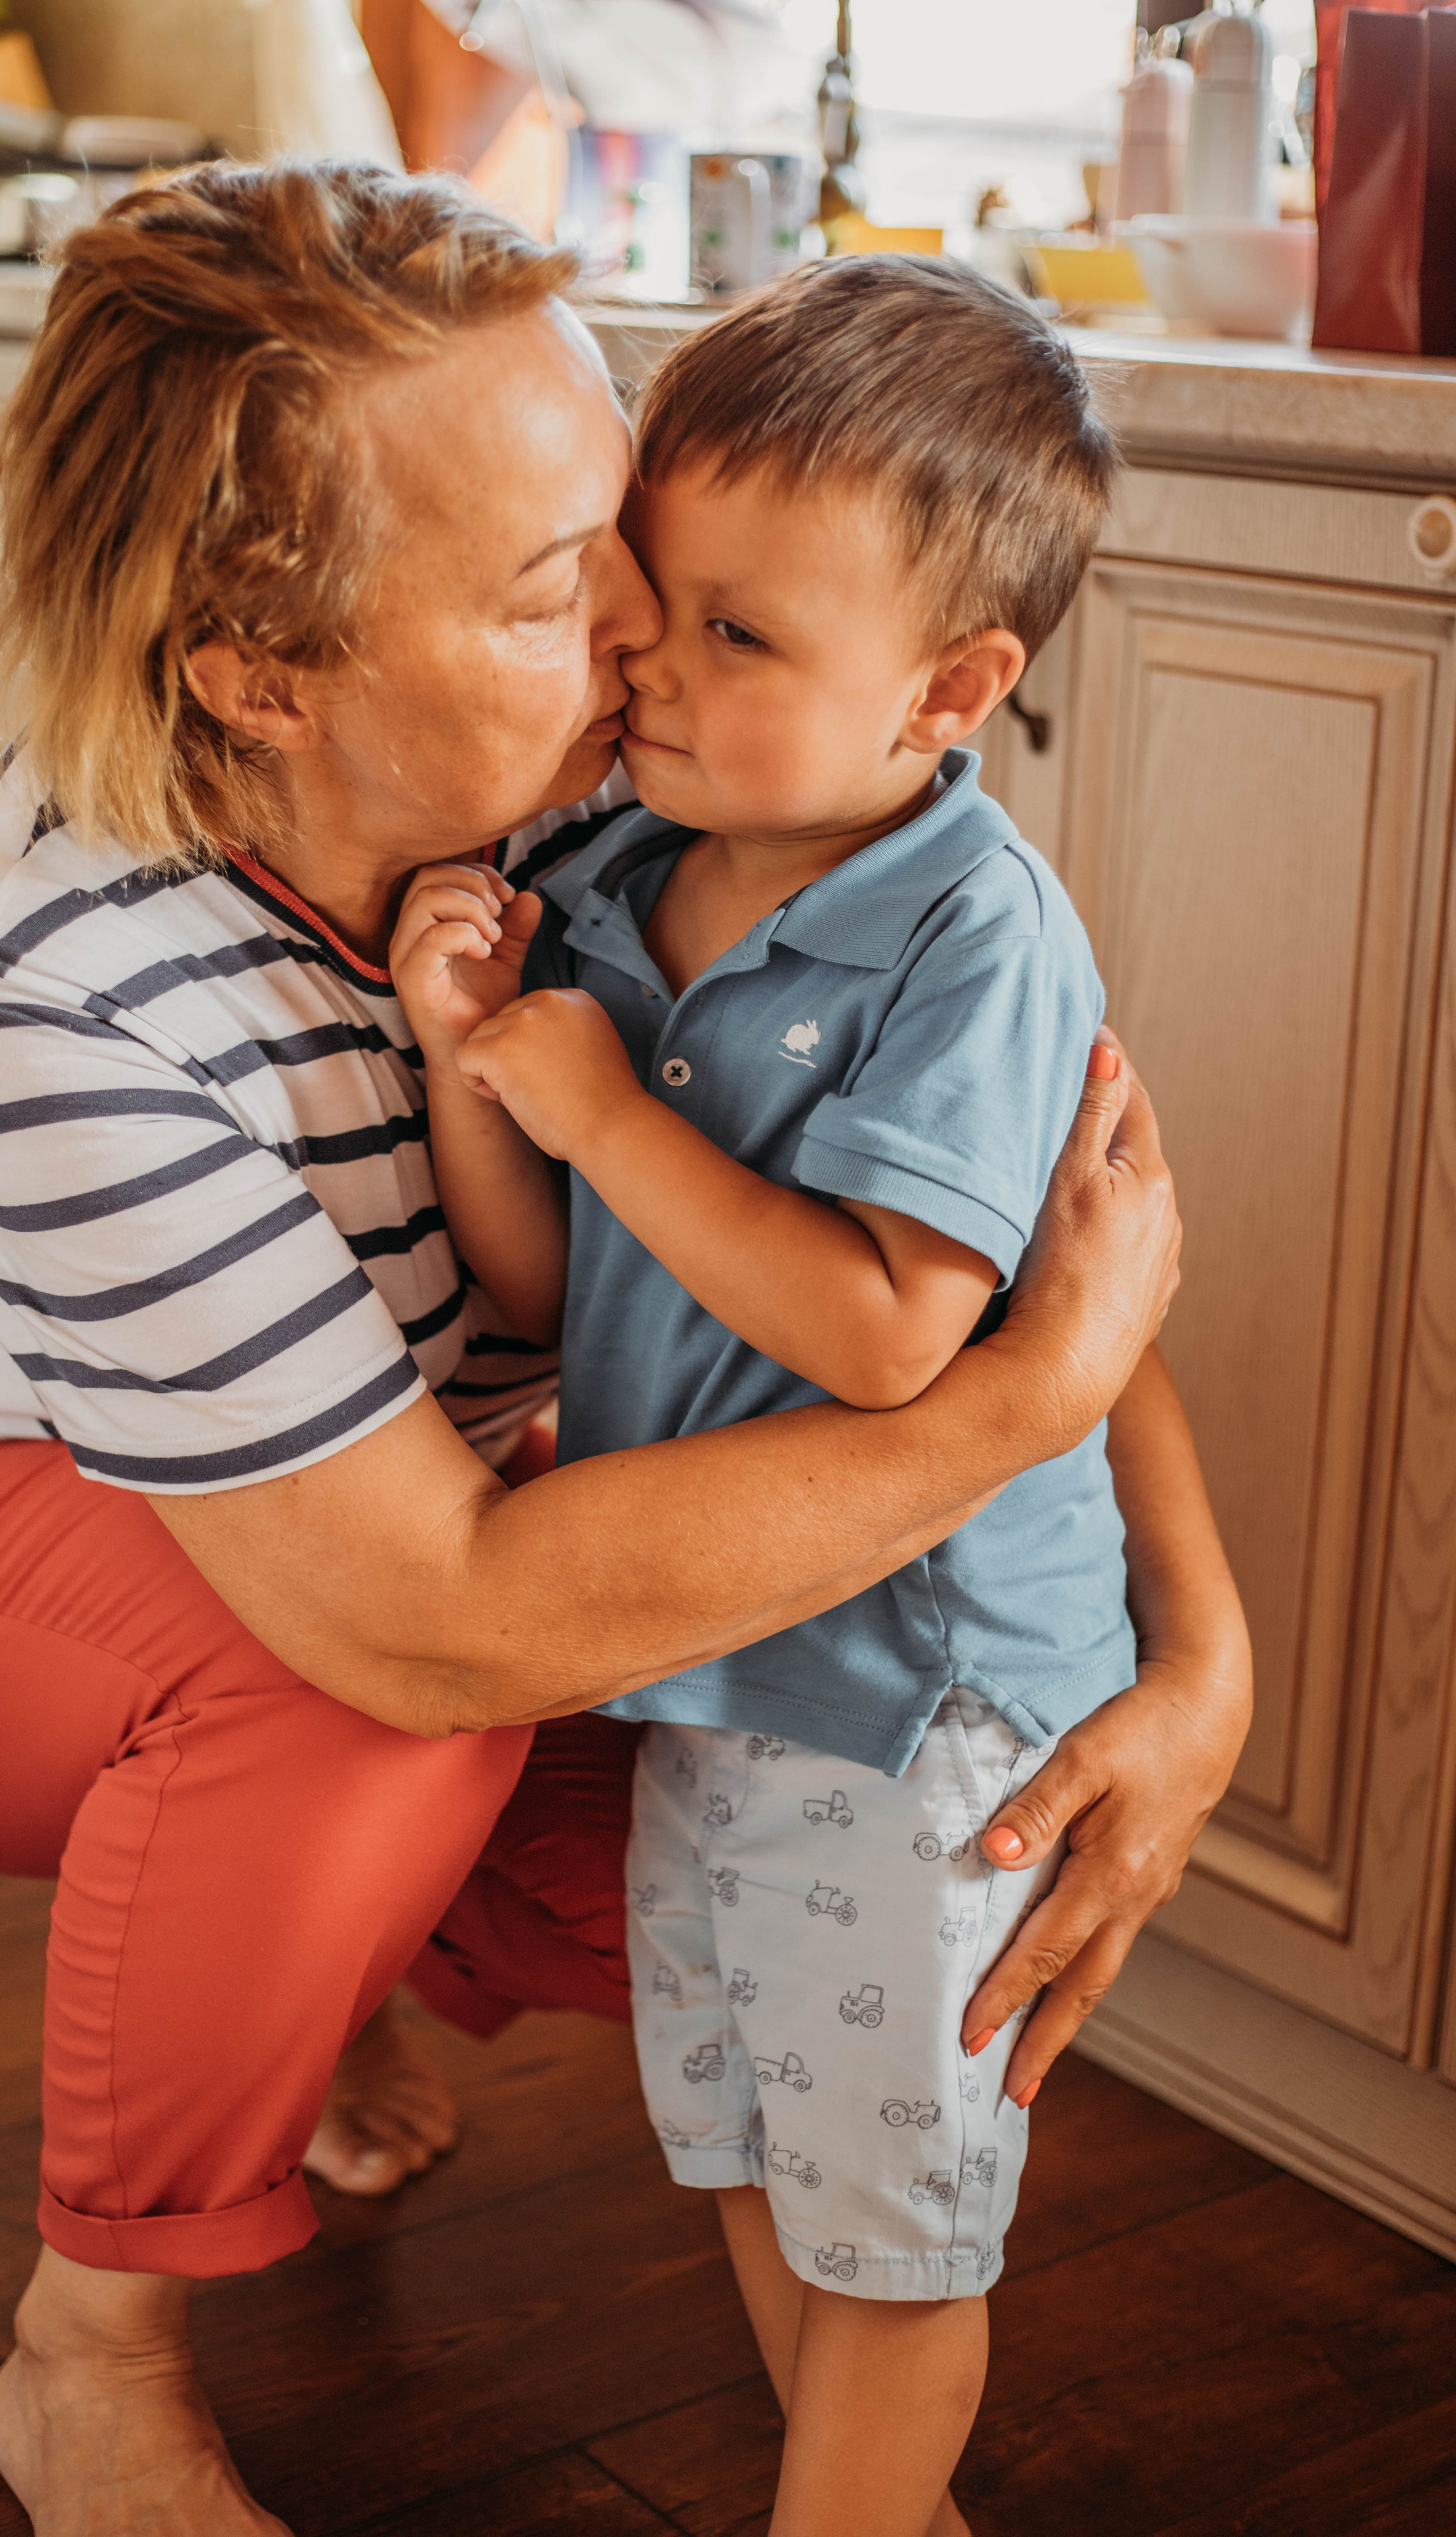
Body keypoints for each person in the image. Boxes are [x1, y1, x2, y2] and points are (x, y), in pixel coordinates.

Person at [0, 165, 1239, 2537]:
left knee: (744, 1846)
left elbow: (1029, 1243)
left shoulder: (604, 810)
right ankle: (87, 2358)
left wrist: (1207, 1649)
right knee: (362, 1711)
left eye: (625, 527)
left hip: (376, 1491)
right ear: (263, 668)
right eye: (566, 587)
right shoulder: (54, 991)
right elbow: (443, 1616)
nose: (651, 626)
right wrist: (1015, 1414)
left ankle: (283, 1973)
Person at [393, 256, 1235, 2537]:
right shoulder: (619, 876)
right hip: (719, 1650)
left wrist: (596, 1115)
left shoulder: (974, 932)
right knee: (765, 2146)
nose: (652, 666)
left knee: (892, 2223)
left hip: (920, 1697)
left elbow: (892, 1337)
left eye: (744, 639)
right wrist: (488, 1062)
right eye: (654, 606)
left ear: (955, 689)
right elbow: (555, 1280)